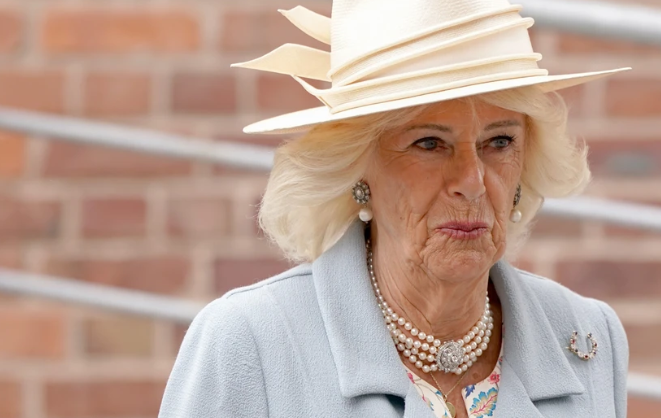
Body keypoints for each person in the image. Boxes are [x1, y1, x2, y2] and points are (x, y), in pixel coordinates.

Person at [159, 0, 631, 417]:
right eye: (429, 143)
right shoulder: (249, 342)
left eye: (499, 141)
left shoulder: (587, 336)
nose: (472, 182)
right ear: (357, 167)